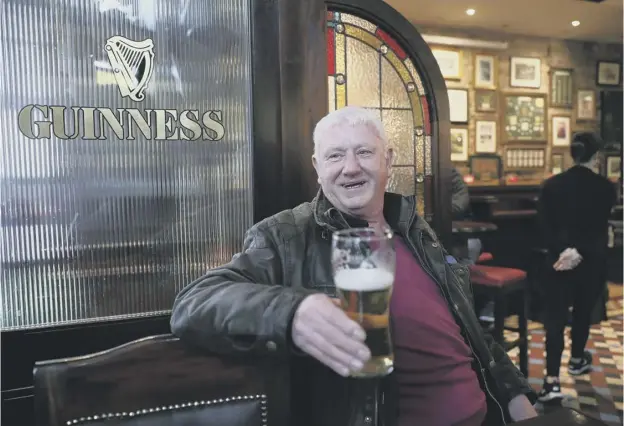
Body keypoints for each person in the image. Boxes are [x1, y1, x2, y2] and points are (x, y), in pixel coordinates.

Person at [170, 106, 537, 426]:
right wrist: (292, 312)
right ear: (317, 168)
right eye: (334, 156)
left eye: (364, 152)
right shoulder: (287, 235)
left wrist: (515, 396)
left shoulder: (413, 227)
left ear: (388, 160)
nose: (350, 168)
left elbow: (466, 327)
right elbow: (193, 303)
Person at [536, 132, 617, 402]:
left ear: (573, 153)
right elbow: (598, 228)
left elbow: (544, 227)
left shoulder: (551, 185)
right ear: (596, 156)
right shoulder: (606, 188)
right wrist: (580, 251)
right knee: (582, 312)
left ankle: (551, 381)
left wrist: (564, 250)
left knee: (555, 320)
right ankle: (577, 359)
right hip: (591, 260)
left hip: (558, 260)